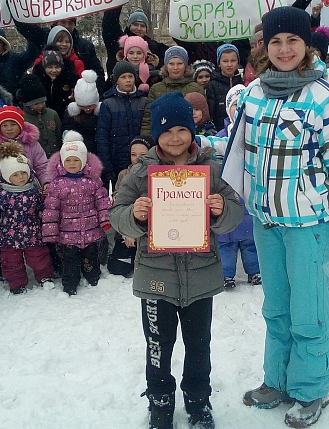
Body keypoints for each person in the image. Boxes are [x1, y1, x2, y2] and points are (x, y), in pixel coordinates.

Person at [227, 6, 329, 428]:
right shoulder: (253, 93)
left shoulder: (324, 98)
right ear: (264, 47)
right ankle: (279, 380)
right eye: (275, 42)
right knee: (276, 307)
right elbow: (235, 150)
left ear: (306, 45)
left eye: (292, 41)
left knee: (309, 310)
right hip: (266, 221)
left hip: (308, 225)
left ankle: (312, 389)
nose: (284, 49)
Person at [109, 92, 243, 429]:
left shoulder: (212, 169)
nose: (174, 138)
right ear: (157, 134)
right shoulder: (141, 174)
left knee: (199, 346)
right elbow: (116, 213)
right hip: (156, 279)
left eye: (181, 130)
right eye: (166, 132)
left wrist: (221, 210)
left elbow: (235, 212)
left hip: (201, 277)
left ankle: (198, 401)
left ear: (192, 130)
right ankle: (160, 404)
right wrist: (135, 216)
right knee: (158, 346)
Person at [0, 142, 53, 294]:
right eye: (15, 175)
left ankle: (45, 277)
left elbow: (44, 211)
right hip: (8, 239)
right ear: (6, 176)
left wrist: (50, 226)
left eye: (24, 173)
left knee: (39, 258)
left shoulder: (34, 193)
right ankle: (16, 283)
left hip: (33, 236)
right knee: (11, 263)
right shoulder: (0, 195)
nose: (21, 177)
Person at [43, 131, 111, 295]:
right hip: (67, 233)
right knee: (70, 260)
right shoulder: (57, 184)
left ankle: (93, 276)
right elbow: (51, 210)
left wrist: (105, 221)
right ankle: (70, 283)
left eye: (76, 160)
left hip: (90, 229)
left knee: (90, 256)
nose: (72, 163)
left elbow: (101, 202)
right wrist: (50, 232)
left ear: (84, 161)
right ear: (62, 162)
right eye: (68, 160)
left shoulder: (93, 181)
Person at [0, 105, 50, 200]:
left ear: (20, 125)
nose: (9, 128)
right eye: (4, 125)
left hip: (31, 196)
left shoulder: (32, 145)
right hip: (2, 198)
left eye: (13, 124)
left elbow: (42, 167)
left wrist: (46, 182)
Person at [107, 135, 154, 278]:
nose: (137, 158)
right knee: (118, 268)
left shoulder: (158, 174)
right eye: (133, 154)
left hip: (149, 232)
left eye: (143, 154)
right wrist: (127, 232)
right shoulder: (124, 175)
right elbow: (119, 205)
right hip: (127, 231)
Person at [97, 61, 147, 189]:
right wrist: (107, 166)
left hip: (142, 161)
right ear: (116, 80)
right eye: (123, 77)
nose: (128, 80)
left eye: (130, 77)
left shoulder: (143, 101)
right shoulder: (108, 104)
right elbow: (102, 136)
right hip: (117, 161)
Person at [140, 46, 204, 136]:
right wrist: (147, 141)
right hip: (162, 138)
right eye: (171, 64)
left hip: (189, 137)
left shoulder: (196, 88)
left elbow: (204, 117)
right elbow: (148, 119)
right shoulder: (156, 89)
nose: (175, 67)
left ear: (185, 65)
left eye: (179, 63)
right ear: (166, 65)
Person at [103, 6, 170, 77]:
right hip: (119, 86)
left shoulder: (154, 47)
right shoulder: (118, 41)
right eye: (135, 24)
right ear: (129, 26)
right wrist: (117, 0)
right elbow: (109, 23)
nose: (139, 28)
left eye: (142, 26)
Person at [0, 27, 41, 93]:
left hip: (15, 102)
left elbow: (31, 55)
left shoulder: (15, 59)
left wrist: (30, 31)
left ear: (4, 44)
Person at [16, 74, 62, 158]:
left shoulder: (52, 114)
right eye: (36, 104)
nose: (40, 105)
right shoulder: (22, 118)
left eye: (43, 102)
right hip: (34, 158)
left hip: (55, 156)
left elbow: (59, 135)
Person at [31, 46, 79, 122]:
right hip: (43, 117)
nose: (54, 70)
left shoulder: (68, 78)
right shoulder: (38, 80)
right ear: (44, 67)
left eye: (57, 67)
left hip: (64, 116)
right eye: (50, 67)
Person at [205, 44, 243, 132]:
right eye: (225, 61)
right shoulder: (212, 85)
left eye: (233, 60)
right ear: (219, 63)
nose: (229, 65)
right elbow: (211, 112)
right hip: (220, 130)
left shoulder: (242, 83)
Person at [65, 69, 102, 155]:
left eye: (90, 106)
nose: (87, 109)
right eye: (83, 106)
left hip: (97, 151)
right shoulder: (71, 115)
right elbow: (67, 128)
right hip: (79, 152)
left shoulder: (101, 113)